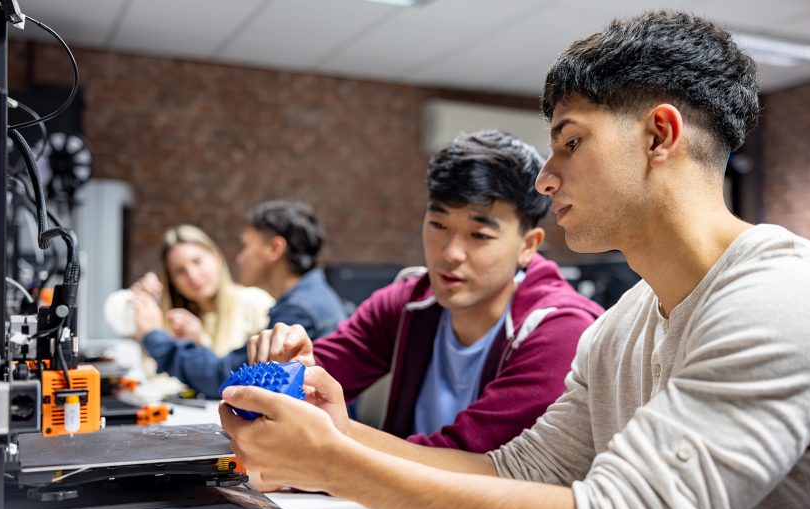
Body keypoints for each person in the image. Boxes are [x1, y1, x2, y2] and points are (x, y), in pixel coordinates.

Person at [219, 11, 810, 509]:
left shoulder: (784, 302)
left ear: (659, 136)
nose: (546, 176)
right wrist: (340, 435)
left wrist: (335, 463)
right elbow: (520, 472)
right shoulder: (623, 326)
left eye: (571, 142)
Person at [248, 129, 603, 453]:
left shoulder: (561, 331)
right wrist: (289, 370)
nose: (450, 254)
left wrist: (333, 444)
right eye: (438, 224)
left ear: (528, 245)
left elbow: (473, 459)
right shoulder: (408, 302)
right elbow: (317, 373)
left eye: (479, 235)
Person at [143, 200, 347, 397]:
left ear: (274, 248)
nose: (240, 258)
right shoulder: (309, 298)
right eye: (179, 271)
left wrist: (152, 335)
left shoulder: (298, 310)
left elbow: (226, 378)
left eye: (246, 246)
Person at [129, 224, 274, 358]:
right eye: (180, 271)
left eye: (197, 261)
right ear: (171, 281)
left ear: (217, 258)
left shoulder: (255, 303)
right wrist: (146, 308)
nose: (192, 276)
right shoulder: (175, 322)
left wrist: (197, 348)